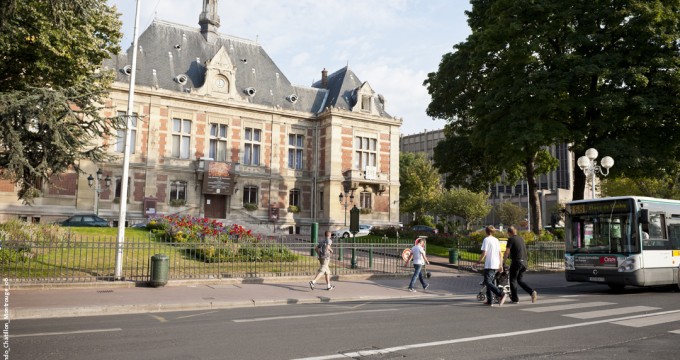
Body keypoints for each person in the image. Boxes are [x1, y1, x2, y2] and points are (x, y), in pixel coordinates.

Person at [503, 226, 537, 304]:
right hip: (524, 262)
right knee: (520, 280)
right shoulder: (521, 239)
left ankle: (515, 299)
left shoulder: (511, 239)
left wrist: (503, 262)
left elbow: (507, 251)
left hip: (517, 262)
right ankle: (531, 292)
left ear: (509, 233)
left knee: (512, 280)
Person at [476, 225, 508, 306]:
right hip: (496, 264)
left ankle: (501, 294)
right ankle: (490, 301)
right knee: (491, 282)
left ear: (486, 231)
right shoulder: (496, 240)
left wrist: (478, 261)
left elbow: (484, 252)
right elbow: (500, 253)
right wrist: (500, 265)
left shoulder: (486, 240)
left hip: (489, 264)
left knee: (487, 282)